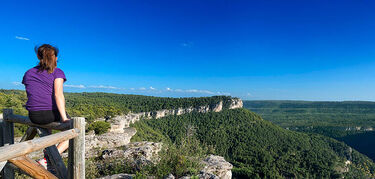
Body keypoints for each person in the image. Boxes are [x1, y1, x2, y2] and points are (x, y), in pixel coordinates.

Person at [22, 44, 70, 170]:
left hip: (34, 115)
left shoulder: (28, 73)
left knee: (48, 135)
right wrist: (64, 118)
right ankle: (48, 159)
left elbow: (33, 93)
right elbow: (58, 95)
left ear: (38, 56)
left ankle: (48, 156)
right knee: (74, 131)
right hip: (50, 114)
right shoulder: (57, 72)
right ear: (56, 58)